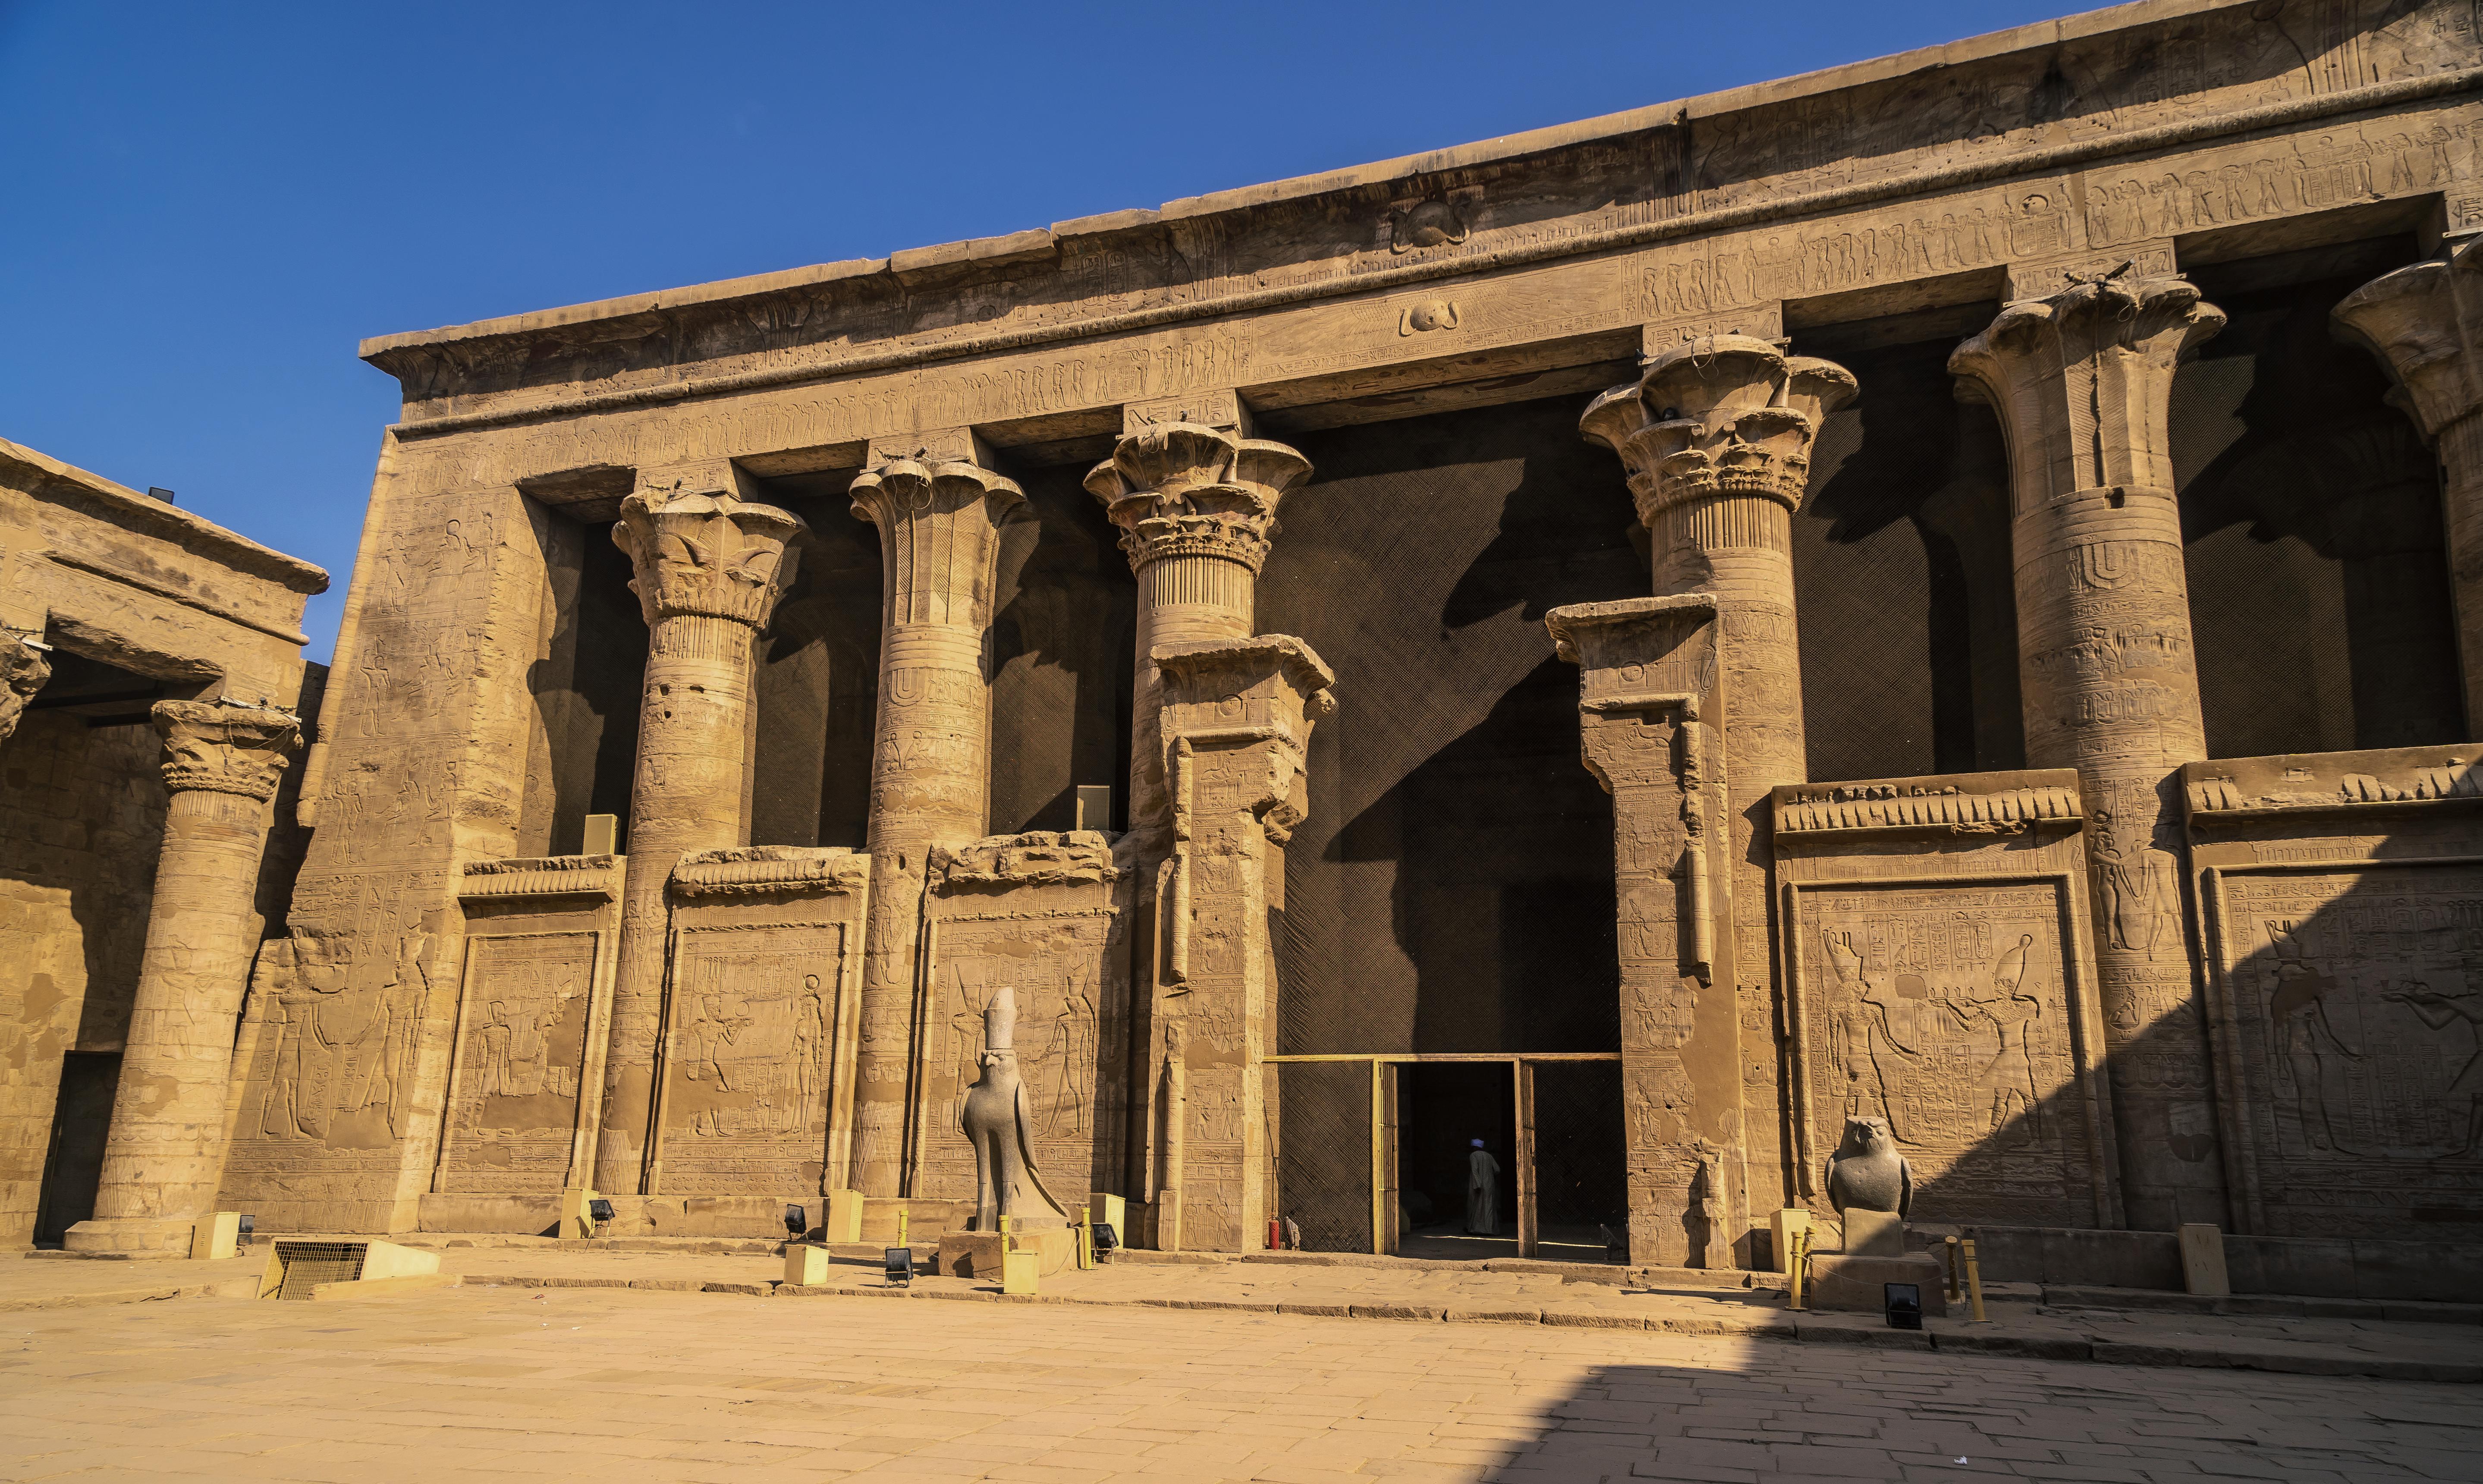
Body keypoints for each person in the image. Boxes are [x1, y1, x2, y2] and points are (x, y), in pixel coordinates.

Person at [1466, 1138, 1502, 1236]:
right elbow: (1497, 1169)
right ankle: (1489, 1229)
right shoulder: (1489, 1156)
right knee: (1489, 1206)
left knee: (1476, 1206)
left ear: (1474, 1147)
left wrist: (1477, 1185)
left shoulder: (1474, 1155)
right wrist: (1490, 1176)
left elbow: (1475, 1171)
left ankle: (1477, 1229)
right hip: (1489, 1184)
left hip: (1478, 1185)